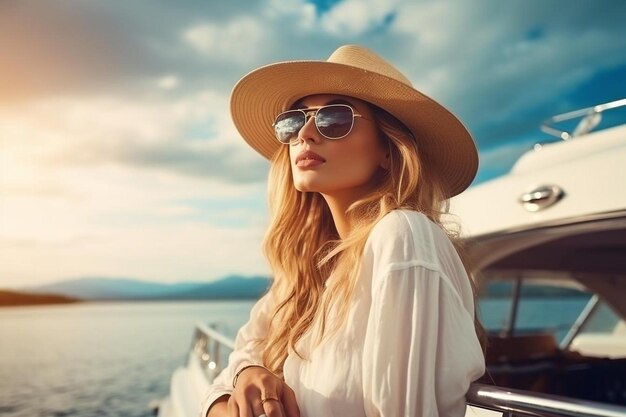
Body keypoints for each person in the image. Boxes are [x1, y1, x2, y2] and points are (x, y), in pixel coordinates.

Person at [200, 44, 486, 417]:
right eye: (294, 120)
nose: (305, 133)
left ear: (388, 149)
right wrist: (248, 374)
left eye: (333, 119)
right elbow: (239, 361)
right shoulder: (310, 270)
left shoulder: (402, 237)